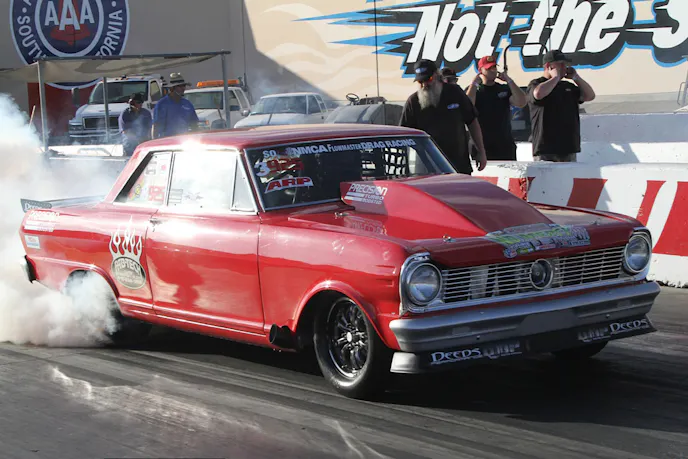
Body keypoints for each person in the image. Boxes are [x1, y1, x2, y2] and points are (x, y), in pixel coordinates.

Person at [399, 59, 487, 174]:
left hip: (458, 165)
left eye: (428, 79)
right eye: (421, 81)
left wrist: (481, 151)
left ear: (436, 75)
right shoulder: (413, 102)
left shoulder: (455, 92)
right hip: (427, 169)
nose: (425, 84)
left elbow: (472, 121)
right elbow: (403, 135)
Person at [526, 49, 596, 162]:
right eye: (560, 64)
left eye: (565, 64)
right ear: (549, 66)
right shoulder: (537, 83)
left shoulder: (567, 86)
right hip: (546, 149)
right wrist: (555, 77)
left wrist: (576, 78)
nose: (564, 67)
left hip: (568, 147)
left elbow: (590, 96)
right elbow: (537, 94)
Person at [465, 55, 527, 161]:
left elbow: (521, 102)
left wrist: (509, 81)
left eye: (494, 67)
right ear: (480, 71)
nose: (493, 71)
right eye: (488, 68)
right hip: (482, 145)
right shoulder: (474, 90)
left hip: (504, 145)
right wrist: (474, 83)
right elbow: (467, 106)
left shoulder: (503, 89)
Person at [152, 72, 200, 139]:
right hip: (167, 141)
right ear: (172, 88)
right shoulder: (162, 104)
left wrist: (196, 138)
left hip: (184, 141)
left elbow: (194, 124)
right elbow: (156, 126)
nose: (183, 88)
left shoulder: (187, 104)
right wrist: (155, 141)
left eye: (184, 86)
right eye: (180, 86)